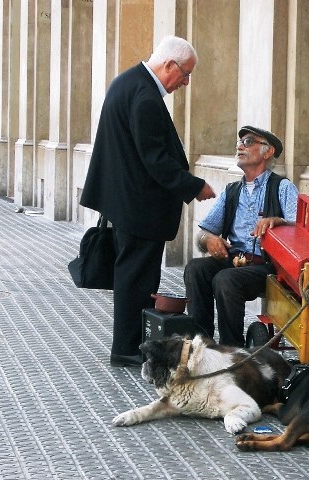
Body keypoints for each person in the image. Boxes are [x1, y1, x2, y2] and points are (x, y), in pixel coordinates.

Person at [80, 35, 216, 367]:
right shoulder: (143, 95)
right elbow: (154, 159)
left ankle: (130, 343)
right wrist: (193, 186)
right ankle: (127, 348)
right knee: (136, 278)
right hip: (138, 205)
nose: (185, 82)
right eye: (184, 74)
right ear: (169, 64)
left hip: (128, 201)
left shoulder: (128, 82)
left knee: (134, 276)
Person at [184, 126, 299, 347]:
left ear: (267, 152)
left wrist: (279, 221)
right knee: (195, 269)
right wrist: (208, 240)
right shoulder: (232, 190)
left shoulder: (282, 187)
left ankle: (231, 349)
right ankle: (202, 344)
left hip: (267, 265)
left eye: (248, 142)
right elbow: (204, 232)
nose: (240, 146)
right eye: (239, 142)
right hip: (235, 257)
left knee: (225, 279)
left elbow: (300, 230)